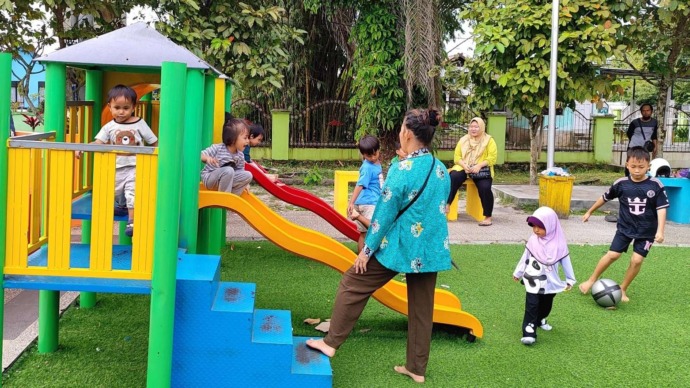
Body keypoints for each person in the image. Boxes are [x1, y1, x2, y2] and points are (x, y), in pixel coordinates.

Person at [306, 107, 452, 384]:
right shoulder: (440, 168)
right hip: (431, 249)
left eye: (400, 128)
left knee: (352, 283)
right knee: (422, 310)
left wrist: (367, 250)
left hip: (398, 246)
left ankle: (331, 342)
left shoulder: (401, 168)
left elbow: (383, 214)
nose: (399, 132)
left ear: (407, 133)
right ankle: (417, 369)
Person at [579, 147, 668, 302]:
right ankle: (591, 280)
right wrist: (589, 211)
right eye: (633, 166)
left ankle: (623, 288)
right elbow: (605, 197)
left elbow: (661, 209)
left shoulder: (656, 185)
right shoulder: (621, 184)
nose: (637, 170)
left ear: (648, 166)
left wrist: (660, 231)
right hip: (625, 228)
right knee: (613, 254)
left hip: (647, 231)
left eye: (641, 167)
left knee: (637, 260)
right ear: (627, 165)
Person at [78, 84, 158, 237]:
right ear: (110, 107)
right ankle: (122, 207)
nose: (121, 111)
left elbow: (153, 142)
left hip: (136, 167)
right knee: (117, 192)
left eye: (126, 108)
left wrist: (158, 157)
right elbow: (98, 143)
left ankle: (132, 220)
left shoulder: (140, 123)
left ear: (133, 107)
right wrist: (83, 148)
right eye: (117, 107)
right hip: (117, 166)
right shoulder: (109, 127)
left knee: (132, 192)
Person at [513, 206, 575, 346]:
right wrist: (518, 272)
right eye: (533, 226)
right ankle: (529, 332)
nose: (536, 230)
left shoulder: (559, 244)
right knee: (532, 304)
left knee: (546, 304)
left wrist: (570, 279)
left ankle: (540, 319)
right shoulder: (533, 240)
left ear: (551, 225)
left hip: (550, 281)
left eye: (540, 227)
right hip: (532, 279)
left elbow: (566, 262)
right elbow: (525, 257)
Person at [446, 117, 497, 226]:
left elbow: (492, 158)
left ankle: (488, 217)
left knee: (485, 187)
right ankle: (447, 204)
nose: (473, 129)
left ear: (482, 127)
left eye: (476, 126)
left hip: (481, 169)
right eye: (471, 126)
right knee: (453, 177)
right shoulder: (464, 139)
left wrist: (478, 165)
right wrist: (464, 165)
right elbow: (457, 157)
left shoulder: (489, 140)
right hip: (465, 167)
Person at [347, 135, 383, 252]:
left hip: (368, 201)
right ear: (363, 155)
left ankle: (361, 258)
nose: (373, 157)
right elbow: (360, 184)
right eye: (369, 156)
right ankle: (365, 258)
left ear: (379, 149)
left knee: (364, 234)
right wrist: (351, 202)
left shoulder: (376, 163)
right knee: (375, 228)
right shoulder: (367, 167)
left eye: (374, 154)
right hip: (368, 203)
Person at [200, 118, 252, 195]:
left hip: (226, 181)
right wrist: (207, 158)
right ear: (233, 139)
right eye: (245, 138)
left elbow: (240, 171)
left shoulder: (240, 155)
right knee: (229, 170)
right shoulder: (218, 148)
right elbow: (200, 155)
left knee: (248, 175)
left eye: (248, 138)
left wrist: (245, 183)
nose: (247, 141)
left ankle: (232, 197)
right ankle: (225, 197)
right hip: (210, 179)